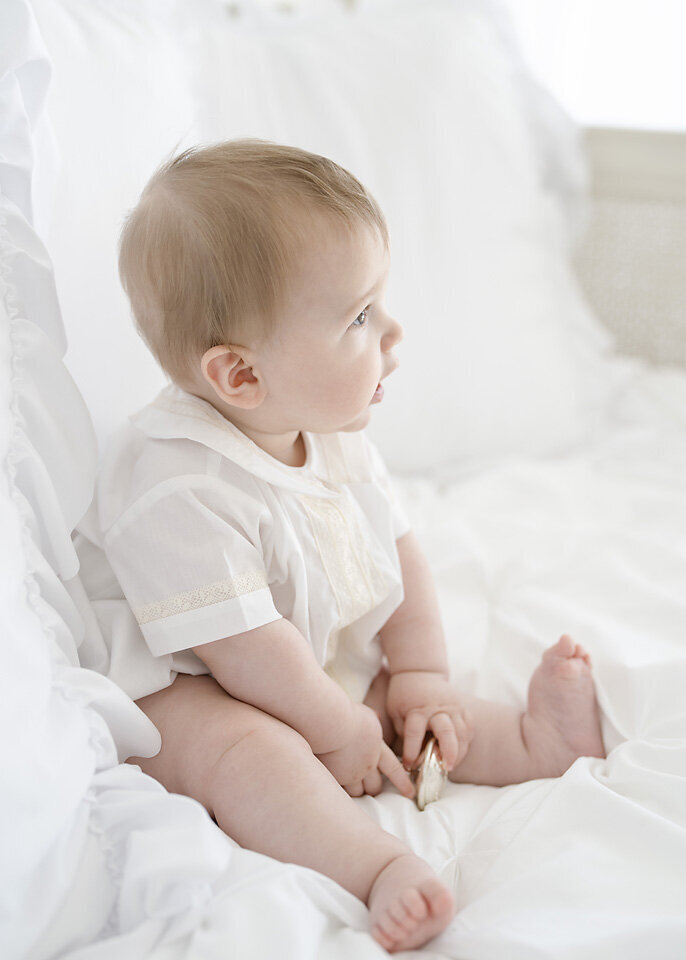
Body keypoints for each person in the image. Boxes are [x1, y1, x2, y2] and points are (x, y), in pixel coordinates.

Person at [95, 139, 605, 953]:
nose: (393, 333)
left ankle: (535, 745)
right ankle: (373, 867)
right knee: (250, 753)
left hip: (305, 659)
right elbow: (246, 651)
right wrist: (334, 729)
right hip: (189, 687)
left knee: (401, 711)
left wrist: (422, 676)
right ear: (240, 377)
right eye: (360, 317)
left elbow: (397, 550)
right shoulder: (175, 483)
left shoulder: (325, 428)